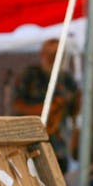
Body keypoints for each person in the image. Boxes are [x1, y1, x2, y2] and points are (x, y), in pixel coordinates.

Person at [12, 38, 81, 170]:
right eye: (50, 54)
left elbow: (74, 111)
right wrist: (43, 110)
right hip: (32, 139)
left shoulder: (67, 79)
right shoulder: (30, 75)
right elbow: (16, 104)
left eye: (57, 55)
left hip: (59, 144)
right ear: (42, 55)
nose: (53, 58)